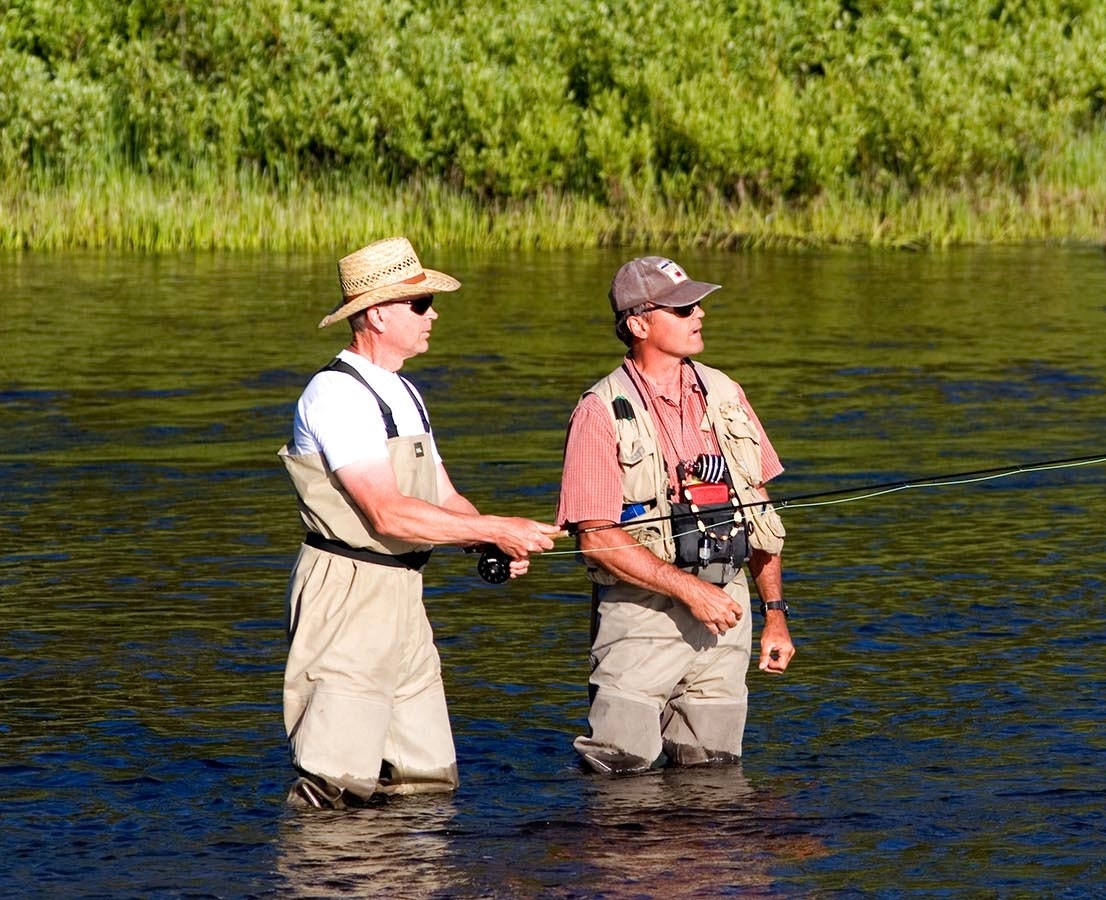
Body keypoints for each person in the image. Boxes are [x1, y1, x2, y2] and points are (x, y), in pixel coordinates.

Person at [278, 236, 562, 808]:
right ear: (378, 313)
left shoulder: (406, 390)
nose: (433, 315)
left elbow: (443, 495)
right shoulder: (335, 394)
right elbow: (385, 510)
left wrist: (495, 535)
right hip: (347, 593)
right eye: (421, 303)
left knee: (426, 778)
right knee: (334, 785)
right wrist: (493, 530)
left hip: (406, 591)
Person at [557, 256, 795, 775]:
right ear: (639, 324)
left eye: (699, 304)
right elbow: (596, 538)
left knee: (715, 775)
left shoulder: (726, 392)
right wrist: (689, 591)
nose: (700, 315)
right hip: (640, 617)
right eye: (684, 307)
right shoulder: (599, 411)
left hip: (727, 615)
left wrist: (775, 615)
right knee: (620, 780)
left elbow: (762, 514)